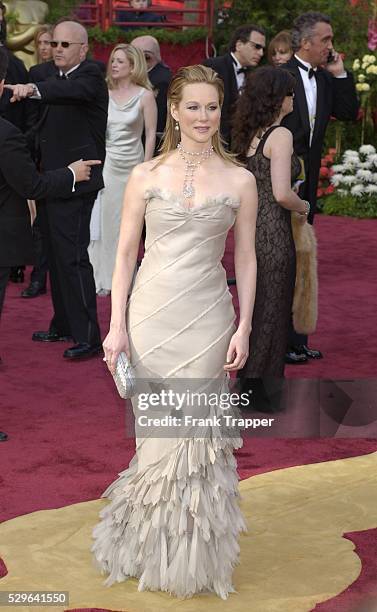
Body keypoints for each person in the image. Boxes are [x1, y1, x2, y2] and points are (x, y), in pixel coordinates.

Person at [92, 64, 258, 598]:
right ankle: (148, 547)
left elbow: (249, 259)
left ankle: (190, 552)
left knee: (195, 435)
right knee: (158, 434)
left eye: (212, 107)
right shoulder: (145, 175)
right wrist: (116, 327)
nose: (203, 117)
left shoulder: (242, 179)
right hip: (151, 314)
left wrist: (246, 326)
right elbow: (122, 254)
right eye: (193, 106)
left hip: (209, 318)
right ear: (175, 111)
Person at [7, 20, 108, 360]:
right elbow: (41, 127)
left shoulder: (90, 76)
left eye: (66, 44)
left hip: (78, 181)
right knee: (54, 255)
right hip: (55, 178)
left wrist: (32, 89)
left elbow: (70, 94)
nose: (59, 49)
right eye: (56, 44)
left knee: (73, 258)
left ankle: (89, 336)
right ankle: (64, 324)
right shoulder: (53, 78)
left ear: (83, 48)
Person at [280, 11, 358, 363]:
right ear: (305, 43)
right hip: (279, 181)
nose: (330, 46)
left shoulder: (326, 79)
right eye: (325, 40)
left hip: (308, 186)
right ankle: (276, 341)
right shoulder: (279, 76)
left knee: (303, 260)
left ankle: (297, 339)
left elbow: (347, 111)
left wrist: (340, 73)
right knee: (280, 262)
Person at [232, 66, 310, 410]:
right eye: (291, 93)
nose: (294, 98)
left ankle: (249, 386)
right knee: (273, 313)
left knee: (256, 309)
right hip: (275, 234)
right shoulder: (279, 136)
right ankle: (260, 394)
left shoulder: (249, 133)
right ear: (279, 99)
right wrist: (304, 204)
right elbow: (281, 193)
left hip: (249, 233)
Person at [89, 44, 157, 296]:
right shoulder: (102, 93)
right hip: (108, 165)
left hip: (133, 167)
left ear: (132, 66)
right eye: (112, 60)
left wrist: (146, 169)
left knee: (128, 226)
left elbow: (150, 134)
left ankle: (124, 276)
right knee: (106, 222)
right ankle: (104, 276)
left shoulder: (145, 96)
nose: (114, 65)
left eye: (120, 61)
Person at [20, 25, 53, 299]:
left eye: (50, 43)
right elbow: (30, 118)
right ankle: (37, 277)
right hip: (36, 152)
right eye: (41, 42)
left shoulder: (70, 78)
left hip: (62, 155)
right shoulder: (34, 74)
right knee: (38, 219)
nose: (45, 47)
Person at [203, 24, 266, 145]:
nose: (261, 53)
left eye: (263, 49)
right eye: (256, 47)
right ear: (239, 45)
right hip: (212, 143)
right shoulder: (214, 66)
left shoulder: (254, 75)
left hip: (239, 145)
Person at [131, 34, 172, 147]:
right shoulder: (147, 75)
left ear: (147, 57)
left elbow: (158, 122)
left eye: (131, 56)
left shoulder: (161, 81)